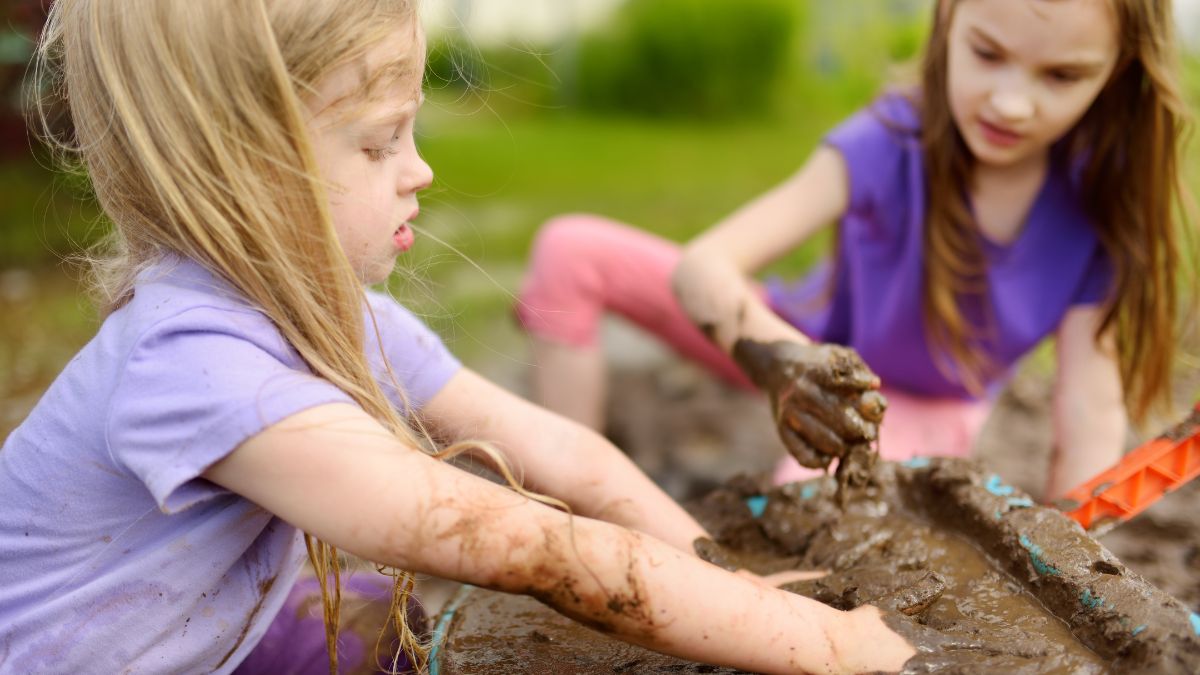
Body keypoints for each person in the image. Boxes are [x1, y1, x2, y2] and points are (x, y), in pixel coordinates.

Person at [0, 1, 918, 673]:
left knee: (411, 640)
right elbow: (519, 544)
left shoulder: (323, 312)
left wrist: (735, 583)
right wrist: (832, 647)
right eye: (379, 143)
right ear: (235, 171)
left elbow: (563, 452)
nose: (421, 170)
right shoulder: (196, 366)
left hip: (211, 635)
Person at [517, 0, 1194, 501]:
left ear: (1117, 75)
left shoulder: (1096, 219)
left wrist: (1069, 529)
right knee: (569, 250)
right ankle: (569, 497)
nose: (1012, 104)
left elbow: (1089, 411)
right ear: (947, 22)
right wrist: (786, 365)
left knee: (806, 508)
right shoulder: (889, 141)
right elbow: (705, 266)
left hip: (911, 401)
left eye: (1062, 76)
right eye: (987, 55)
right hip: (796, 337)